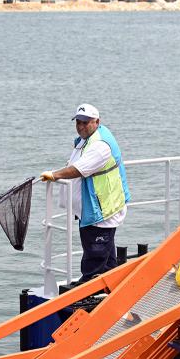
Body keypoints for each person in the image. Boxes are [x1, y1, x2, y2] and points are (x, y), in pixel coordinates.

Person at [39, 103, 130, 282]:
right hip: (93, 208)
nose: (81, 126)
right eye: (78, 122)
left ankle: (89, 291)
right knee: (106, 254)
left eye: (85, 122)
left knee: (95, 255)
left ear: (97, 122)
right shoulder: (89, 137)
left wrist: (54, 175)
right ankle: (107, 284)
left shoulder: (100, 145)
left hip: (101, 210)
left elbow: (79, 169)